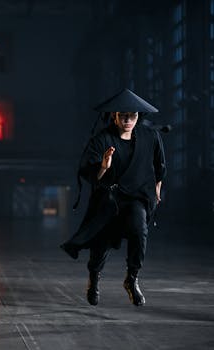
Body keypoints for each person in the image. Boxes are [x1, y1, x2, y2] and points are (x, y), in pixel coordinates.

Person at [61, 89, 166, 306]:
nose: (128, 120)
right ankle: (94, 278)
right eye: (123, 115)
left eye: (133, 115)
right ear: (114, 116)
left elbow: (160, 166)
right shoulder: (102, 140)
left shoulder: (150, 136)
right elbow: (88, 173)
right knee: (100, 246)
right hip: (108, 200)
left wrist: (157, 189)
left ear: (138, 116)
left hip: (137, 198)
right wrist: (103, 166)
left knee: (140, 232)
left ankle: (132, 278)